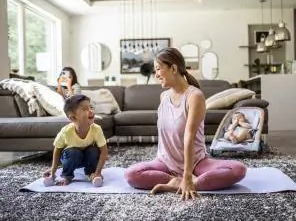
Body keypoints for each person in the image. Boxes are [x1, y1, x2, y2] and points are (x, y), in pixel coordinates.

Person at [124, 47, 247, 200]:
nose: (155, 74)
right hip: (165, 162)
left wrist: (188, 177)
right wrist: (176, 178)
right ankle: (174, 181)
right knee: (131, 174)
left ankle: (189, 182)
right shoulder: (164, 97)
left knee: (238, 170)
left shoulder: (194, 96)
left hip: (196, 163)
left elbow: (188, 137)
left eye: (158, 69)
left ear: (173, 68)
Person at [43, 94, 108, 187]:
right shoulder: (66, 131)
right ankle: (67, 176)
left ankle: (91, 173)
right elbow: (57, 150)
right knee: (73, 152)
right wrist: (53, 170)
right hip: (71, 158)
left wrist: (98, 172)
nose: (90, 111)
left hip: (87, 158)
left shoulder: (97, 129)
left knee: (93, 150)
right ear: (73, 118)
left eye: (91, 107)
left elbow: (104, 152)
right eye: (85, 109)